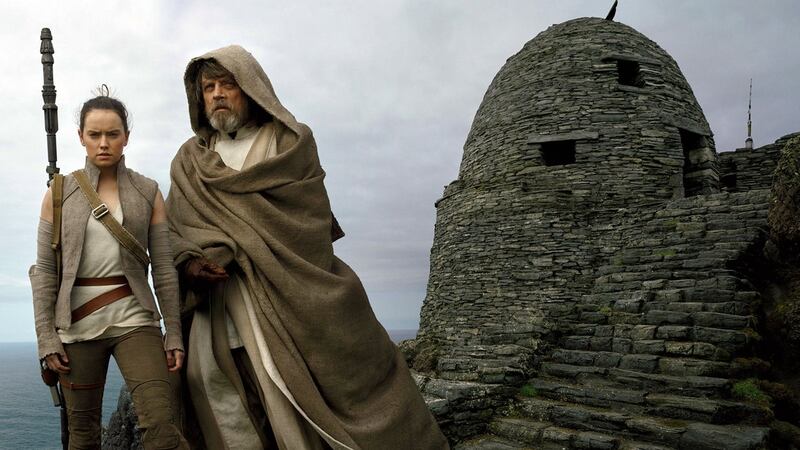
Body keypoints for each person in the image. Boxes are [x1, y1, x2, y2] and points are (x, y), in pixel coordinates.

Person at [167, 45, 449, 449]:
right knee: (216, 389)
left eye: (227, 84)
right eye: (208, 88)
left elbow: (307, 219)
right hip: (219, 304)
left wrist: (237, 245)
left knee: (289, 391)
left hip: (288, 295)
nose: (217, 94)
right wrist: (191, 261)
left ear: (250, 87)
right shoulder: (190, 161)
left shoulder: (289, 143)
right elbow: (177, 226)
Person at [29, 90, 189, 449]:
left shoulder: (148, 191)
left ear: (126, 137)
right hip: (76, 328)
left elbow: (164, 269)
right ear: (81, 137)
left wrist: (174, 333)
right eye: (95, 134)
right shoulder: (59, 192)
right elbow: (45, 272)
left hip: (136, 320)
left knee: (161, 427)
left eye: (113, 134)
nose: (104, 143)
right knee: (83, 436)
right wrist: (46, 338)